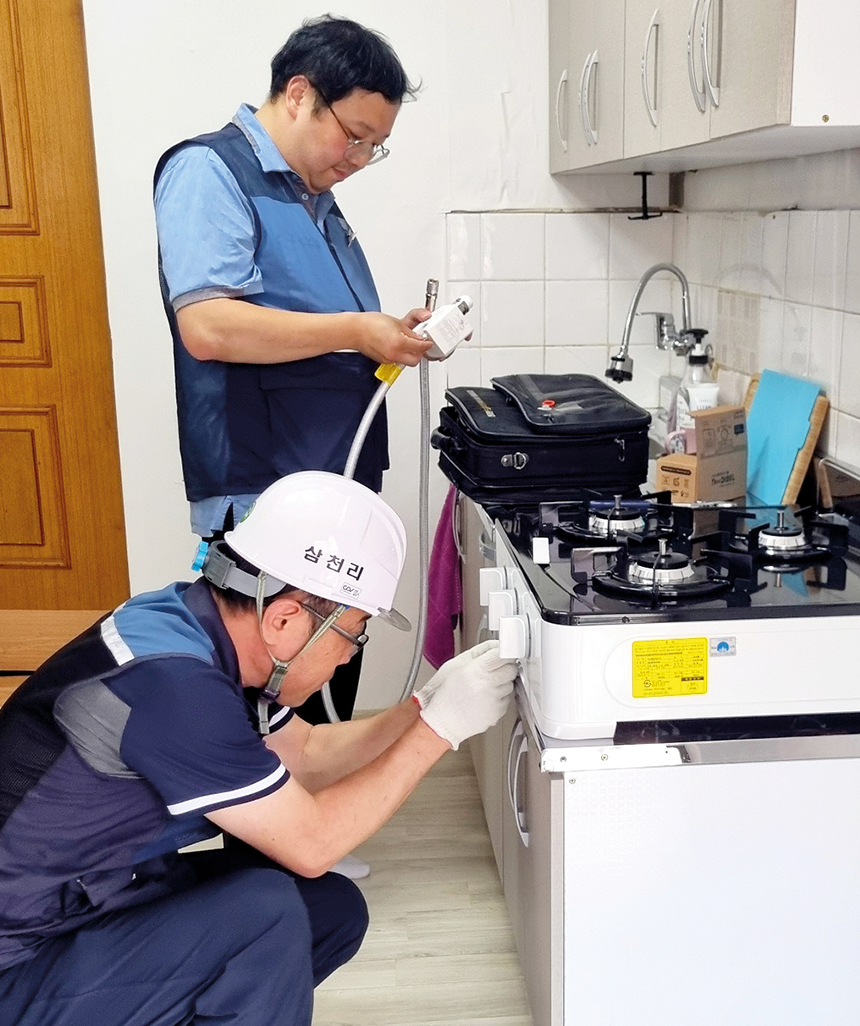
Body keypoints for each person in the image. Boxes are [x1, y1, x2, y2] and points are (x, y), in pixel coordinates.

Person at [0, 472, 516, 1026]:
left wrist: (422, 706)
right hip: (21, 955)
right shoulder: (174, 688)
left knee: (327, 910)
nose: (348, 656)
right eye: (353, 633)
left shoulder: (199, 631)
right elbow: (313, 843)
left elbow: (307, 753)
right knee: (265, 917)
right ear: (284, 619)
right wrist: (438, 732)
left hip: (94, 896)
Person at [154, 12, 432, 771]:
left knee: (323, 677)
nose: (361, 159)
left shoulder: (313, 197)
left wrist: (384, 333)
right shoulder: (210, 171)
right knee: (274, 698)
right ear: (301, 94)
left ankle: (316, 828)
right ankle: (272, 834)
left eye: (375, 146)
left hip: (326, 480)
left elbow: (314, 325)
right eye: (355, 136)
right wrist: (358, 330)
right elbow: (209, 326)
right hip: (267, 486)